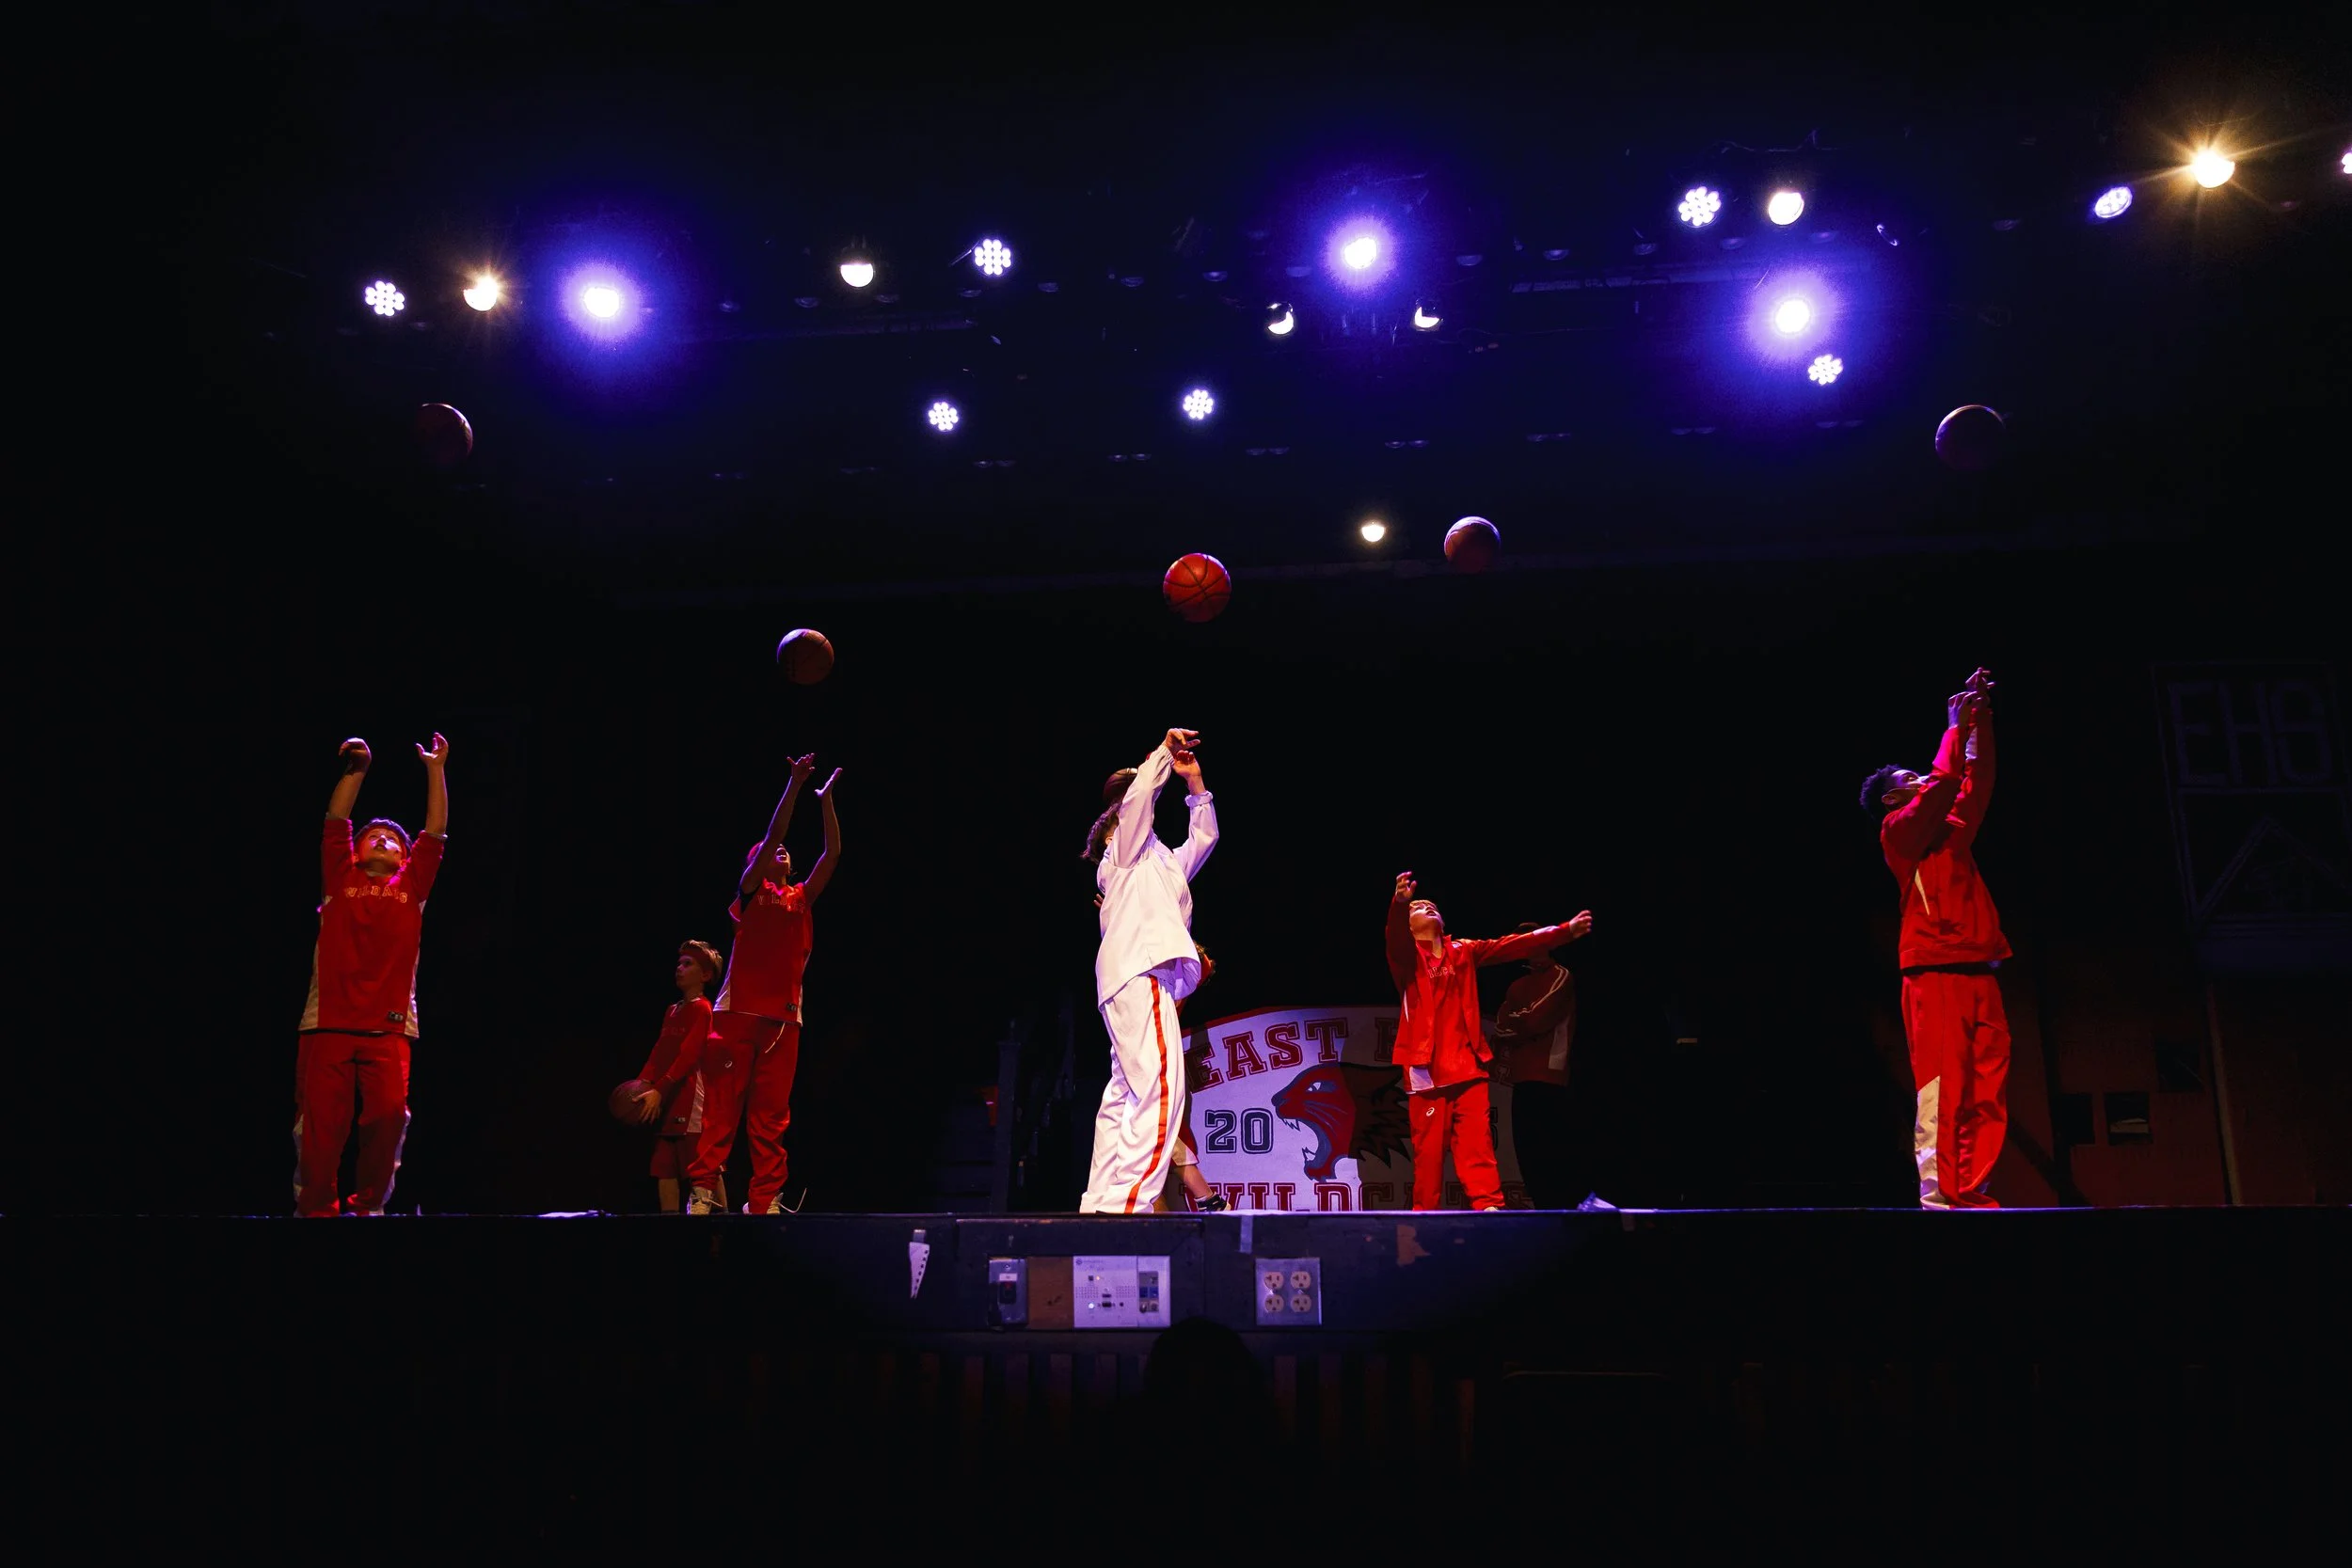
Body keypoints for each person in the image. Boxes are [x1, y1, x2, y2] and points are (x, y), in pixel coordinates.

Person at [1862, 668, 2010, 1209]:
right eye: (1908, 775)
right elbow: (1946, 781)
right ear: (1890, 799)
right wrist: (1953, 728)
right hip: (1934, 972)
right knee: (1943, 1089)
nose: (1920, 777)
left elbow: (1978, 781)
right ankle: (1940, 1196)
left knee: (1987, 1090)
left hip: (1980, 968)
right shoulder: (1899, 833)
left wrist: (1978, 722)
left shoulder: (1951, 827)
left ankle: (1971, 1192)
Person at [294, 733, 448, 1217]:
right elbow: (336, 821)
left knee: (386, 1118)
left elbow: (435, 833)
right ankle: (315, 1210)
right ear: (356, 852)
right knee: (321, 1128)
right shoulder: (342, 876)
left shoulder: (413, 887)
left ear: (405, 859)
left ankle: (368, 1210)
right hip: (328, 1024)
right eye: (373, 835)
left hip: (389, 1027)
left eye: (394, 840)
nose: (384, 838)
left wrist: (436, 769)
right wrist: (356, 772)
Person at [688, 756, 841, 1216]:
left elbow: (832, 854)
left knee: (771, 1118)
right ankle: (703, 1191)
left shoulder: (801, 899)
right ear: (752, 865)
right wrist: (794, 785)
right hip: (737, 1015)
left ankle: (764, 1200)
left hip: (784, 1020)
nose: (780, 850)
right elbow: (774, 833)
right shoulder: (751, 896)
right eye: (768, 850)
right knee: (721, 1110)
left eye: (784, 851)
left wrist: (826, 801)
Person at [1386, 874, 1590, 1211]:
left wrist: (1564, 930)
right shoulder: (1407, 959)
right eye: (1419, 908)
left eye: (1432, 906)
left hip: (1469, 1068)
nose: (1427, 907)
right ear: (1409, 927)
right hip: (1427, 1073)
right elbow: (1393, 935)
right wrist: (1399, 903)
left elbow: (1513, 945)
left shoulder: (1463, 951)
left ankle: (1489, 1206)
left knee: (1477, 1146)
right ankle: (1424, 1215)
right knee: (1429, 1154)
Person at [1080, 728, 1218, 1214]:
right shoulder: (1125, 850)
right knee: (1159, 1086)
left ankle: (1104, 1198)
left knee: (1125, 1089)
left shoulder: (1158, 860)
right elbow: (1140, 796)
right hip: (1141, 972)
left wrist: (1196, 786)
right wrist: (1159, 756)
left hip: (1126, 977)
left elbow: (1204, 838)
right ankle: (1133, 1203)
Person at [1489, 923, 1580, 1210]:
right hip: (1523, 1078)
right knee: (1528, 1150)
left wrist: (1522, 1022)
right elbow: (1502, 1027)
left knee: (1555, 1147)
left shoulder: (1561, 976)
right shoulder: (1516, 986)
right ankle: (1543, 1209)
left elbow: (1536, 1019)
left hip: (1551, 1077)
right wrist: (1522, 1024)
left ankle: (1565, 1207)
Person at [628, 941, 723, 1213]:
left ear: (705, 976)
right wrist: (643, 1083)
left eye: (688, 964)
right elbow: (659, 1052)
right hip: (666, 1098)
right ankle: (672, 1235)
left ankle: (725, 1230)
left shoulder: (703, 1009)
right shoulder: (673, 1010)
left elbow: (688, 1055)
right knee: (664, 1167)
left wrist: (661, 1088)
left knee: (702, 1167)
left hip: (690, 1097)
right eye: (679, 963)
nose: (679, 968)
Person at [1164, 943, 1229, 1213]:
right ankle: (1207, 1201)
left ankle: (1209, 1200)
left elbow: (1204, 965)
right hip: (1132, 1060)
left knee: (1162, 1135)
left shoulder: (1178, 977)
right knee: (1141, 1155)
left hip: (1158, 1059)